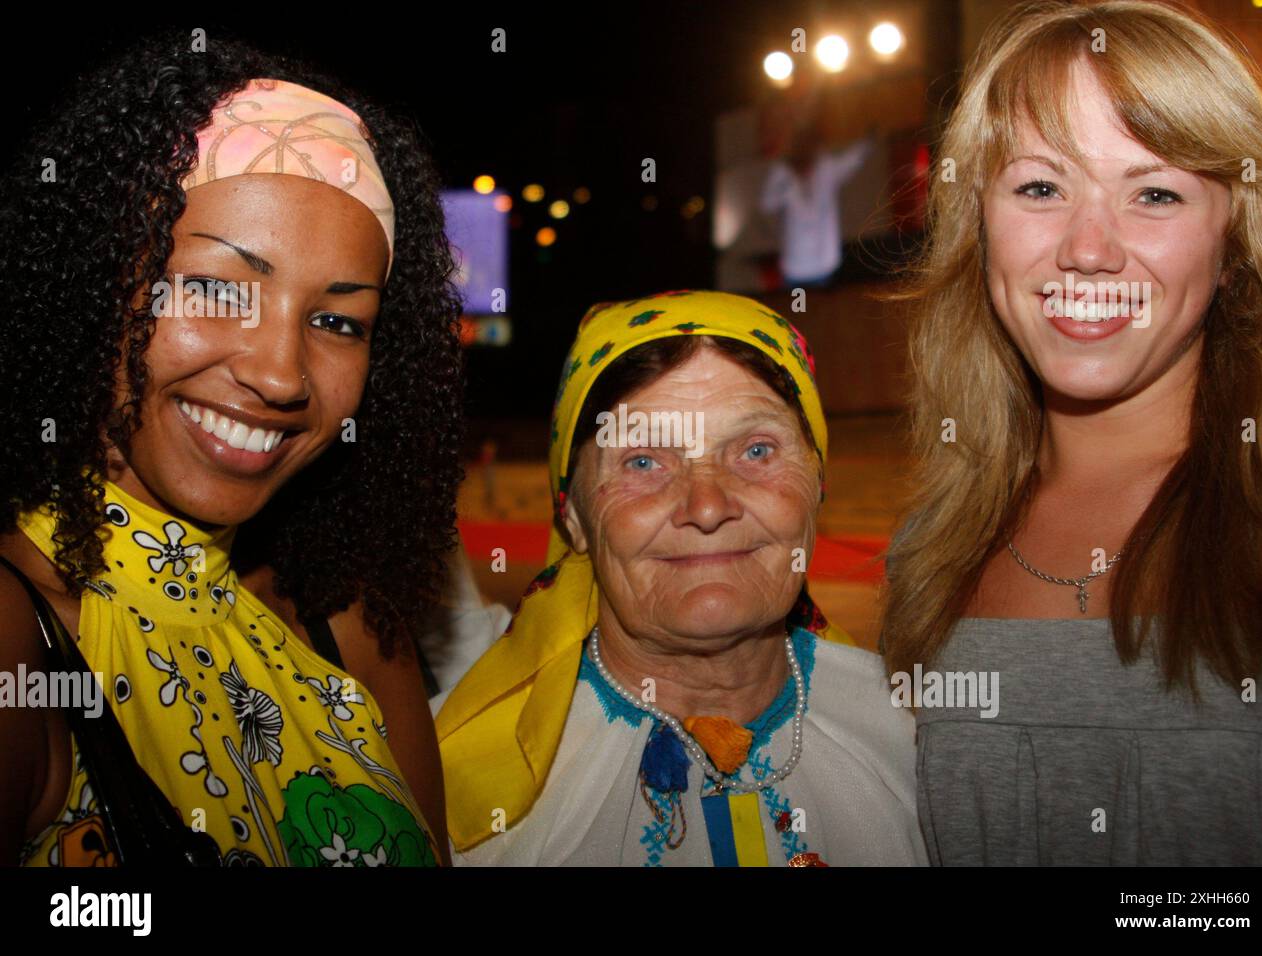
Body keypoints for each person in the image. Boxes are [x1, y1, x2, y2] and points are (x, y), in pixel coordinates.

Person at [0, 33, 464, 866]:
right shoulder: (19, 643)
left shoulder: (349, 633)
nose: (281, 373)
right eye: (217, 288)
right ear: (96, 281)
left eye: (337, 320)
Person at [879, 0, 1262, 865]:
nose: (1088, 249)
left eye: (1155, 193)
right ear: (978, 226)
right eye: (1041, 187)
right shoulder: (929, 551)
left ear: (1235, 246)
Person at [434, 290, 926, 866]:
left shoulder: (917, 739)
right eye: (643, 461)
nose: (708, 506)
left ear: (817, 486)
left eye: (756, 450)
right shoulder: (439, 787)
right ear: (574, 517)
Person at [760, 130, 873, 288]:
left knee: (824, 303)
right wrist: (784, 182)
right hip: (796, 268)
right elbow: (767, 203)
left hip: (824, 266)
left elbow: (850, 161)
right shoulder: (783, 174)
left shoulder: (825, 169)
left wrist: (869, 140)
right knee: (798, 304)